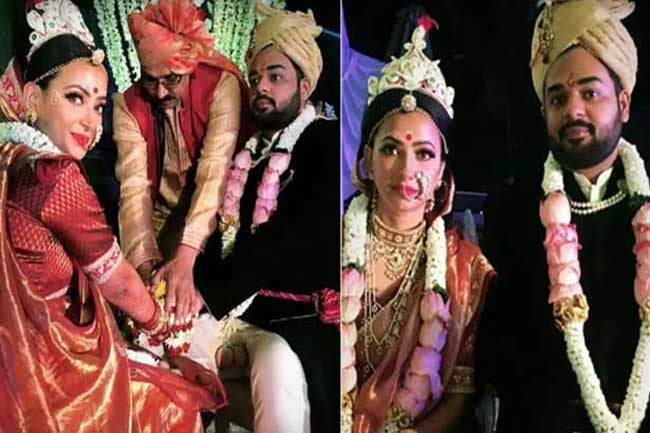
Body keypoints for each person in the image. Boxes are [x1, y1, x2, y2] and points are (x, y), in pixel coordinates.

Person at [0, 4, 225, 430]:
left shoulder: (11, 156)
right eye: (74, 98)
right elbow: (118, 281)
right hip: (51, 367)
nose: (90, 121)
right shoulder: (54, 176)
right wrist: (160, 325)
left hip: (19, 356)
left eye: (98, 105)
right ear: (32, 99)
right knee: (176, 402)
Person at [479, 1, 650, 431]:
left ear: (623, 104)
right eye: (557, 97)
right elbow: (496, 351)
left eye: (590, 93)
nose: (573, 110)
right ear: (544, 112)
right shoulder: (512, 212)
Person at [340, 24, 495, 433]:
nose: (407, 169)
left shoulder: (464, 268)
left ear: (442, 171)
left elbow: (460, 394)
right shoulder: (331, 240)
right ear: (367, 159)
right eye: (391, 149)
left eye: (424, 153)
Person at [193, 4, 340, 433]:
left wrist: (208, 295)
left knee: (279, 367)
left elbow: (291, 240)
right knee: (171, 348)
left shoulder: (323, 143)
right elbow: (224, 238)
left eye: (276, 77)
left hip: (296, 322)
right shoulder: (249, 154)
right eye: (255, 77)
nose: (261, 87)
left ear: (305, 86)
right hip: (240, 311)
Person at [113, 0, 250, 325]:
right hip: (158, 220)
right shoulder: (128, 104)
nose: (160, 92)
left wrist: (186, 257)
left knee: (200, 318)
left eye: (172, 79)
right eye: (150, 80)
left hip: (213, 221)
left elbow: (214, 173)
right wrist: (146, 269)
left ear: (190, 67)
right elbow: (134, 191)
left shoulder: (221, 85)